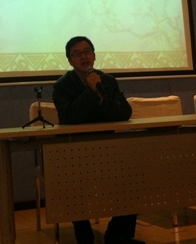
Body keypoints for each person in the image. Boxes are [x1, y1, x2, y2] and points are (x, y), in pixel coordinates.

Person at [52, 36, 144, 244]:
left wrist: (102, 98)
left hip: (109, 149)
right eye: (77, 54)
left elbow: (124, 112)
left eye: (87, 51)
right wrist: (91, 91)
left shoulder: (108, 81)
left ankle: (118, 235)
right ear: (70, 60)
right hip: (76, 152)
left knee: (134, 178)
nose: (83, 57)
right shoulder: (62, 86)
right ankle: (84, 237)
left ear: (94, 55)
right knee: (73, 184)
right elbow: (70, 117)